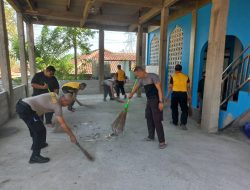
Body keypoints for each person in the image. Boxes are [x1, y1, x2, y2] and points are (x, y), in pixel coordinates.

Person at [16, 93, 77, 164]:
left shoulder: (55, 95)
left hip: (23, 105)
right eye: (68, 103)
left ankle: (39, 144)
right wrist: (71, 135)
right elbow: (62, 124)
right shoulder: (57, 105)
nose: (66, 106)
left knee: (38, 128)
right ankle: (35, 156)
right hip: (26, 109)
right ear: (64, 99)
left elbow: (43, 103)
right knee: (39, 131)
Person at [128, 66, 166, 149]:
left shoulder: (153, 76)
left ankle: (162, 141)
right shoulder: (141, 79)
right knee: (148, 117)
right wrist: (131, 94)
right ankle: (151, 136)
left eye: (137, 74)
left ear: (141, 71)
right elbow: (136, 87)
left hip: (156, 100)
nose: (137, 76)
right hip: (149, 100)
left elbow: (159, 89)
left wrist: (161, 102)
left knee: (157, 120)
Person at [166, 64, 191, 130]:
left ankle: (175, 122)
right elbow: (188, 87)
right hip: (183, 94)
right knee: (184, 109)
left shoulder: (173, 76)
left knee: (174, 108)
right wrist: (189, 95)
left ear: (175, 69)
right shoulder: (186, 77)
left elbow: (170, 87)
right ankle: (183, 123)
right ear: (181, 70)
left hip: (175, 94)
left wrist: (167, 96)